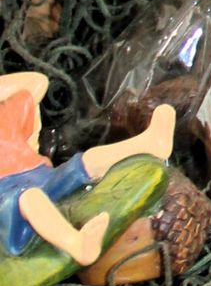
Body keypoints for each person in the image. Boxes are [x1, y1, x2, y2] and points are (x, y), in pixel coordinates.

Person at [0, 73, 177, 270]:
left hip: (41, 177)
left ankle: (150, 144)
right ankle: (77, 245)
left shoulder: (7, 114)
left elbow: (36, 82)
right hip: (7, 196)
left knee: (87, 161)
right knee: (30, 198)